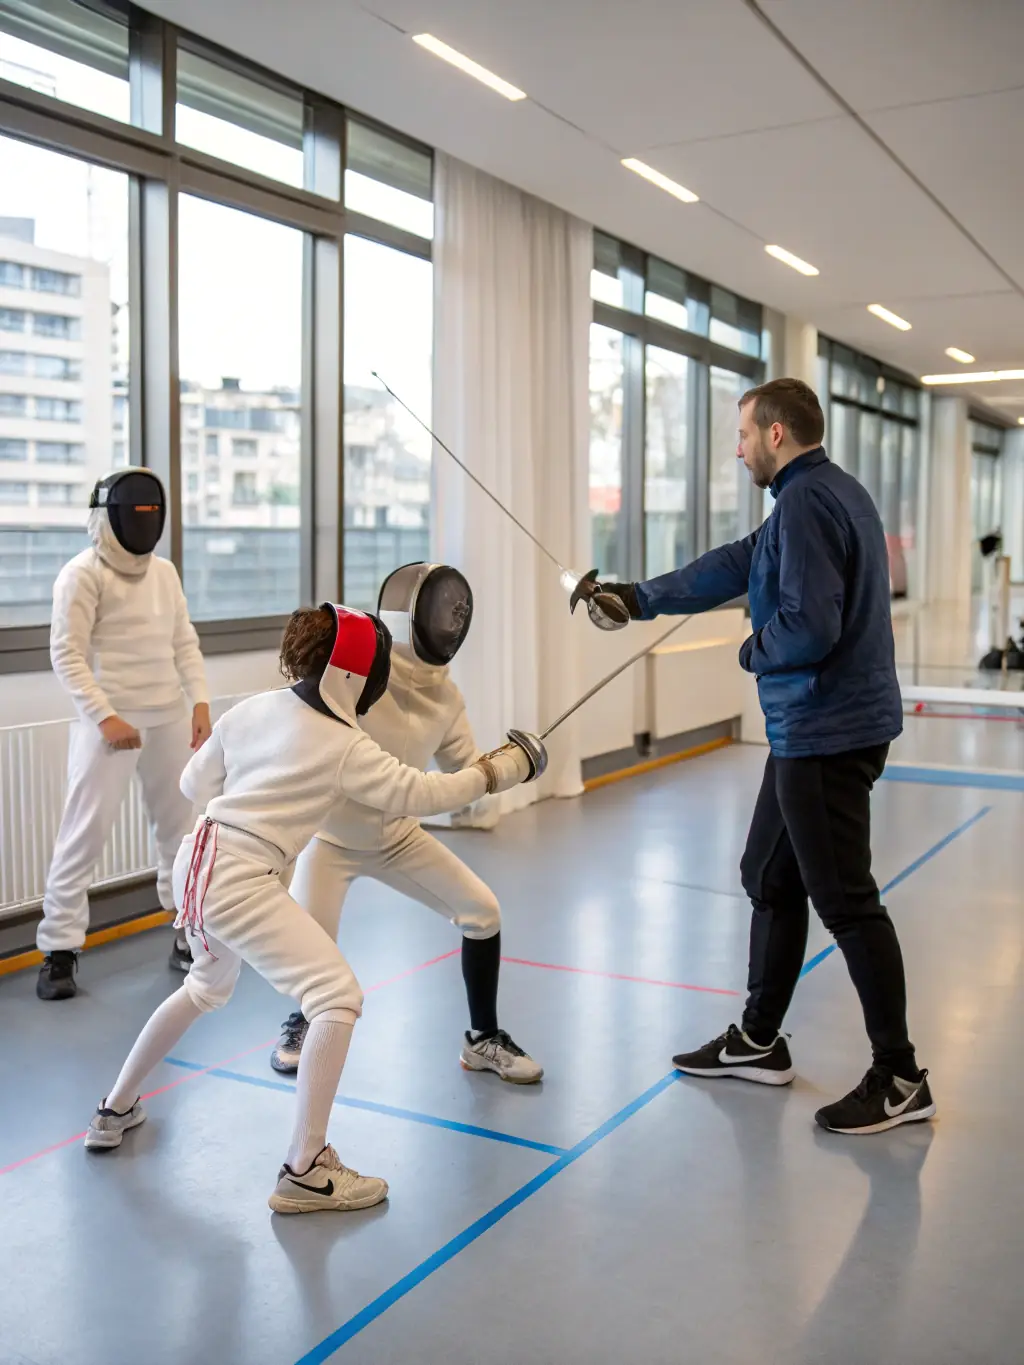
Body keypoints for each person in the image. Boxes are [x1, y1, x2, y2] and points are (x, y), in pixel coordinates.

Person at [84, 602, 543, 1214]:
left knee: (202, 988)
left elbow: (195, 787)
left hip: (196, 860)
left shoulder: (251, 709)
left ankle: (113, 1111)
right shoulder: (345, 744)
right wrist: (505, 767)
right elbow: (426, 791)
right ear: (357, 676)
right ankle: (305, 1168)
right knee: (336, 998)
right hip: (240, 876)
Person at [598, 378, 934, 1136]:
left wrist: (752, 650)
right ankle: (758, 1040)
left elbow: (807, 628)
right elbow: (733, 564)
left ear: (777, 434)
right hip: (812, 731)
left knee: (846, 899)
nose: (739, 446)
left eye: (745, 433)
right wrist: (639, 597)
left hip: (825, 730)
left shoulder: (809, 505)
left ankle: (900, 1075)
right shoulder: (820, 494)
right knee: (769, 874)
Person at [270, 562, 542, 1085]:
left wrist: (509, 766)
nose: (452, 621)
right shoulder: (358, 670)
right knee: (312, 945)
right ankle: (302, 1019)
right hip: (330, 838)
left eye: (458, 613)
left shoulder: (447, 697)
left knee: (482, 912)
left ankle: (482, 1038)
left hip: (397, 836)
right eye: (443, 610)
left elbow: (465, 770)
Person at [37, 468, 210, 1000]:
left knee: (181, 830)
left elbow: (184, 640)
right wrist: (104, 716)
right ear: (106, 517)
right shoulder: (80, 575)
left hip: (168, 716)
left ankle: (184, 932)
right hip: (106, 723)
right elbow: (66, 653)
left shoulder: (164, 573)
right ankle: (59, 949)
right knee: (84, 831)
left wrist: (200, 699)